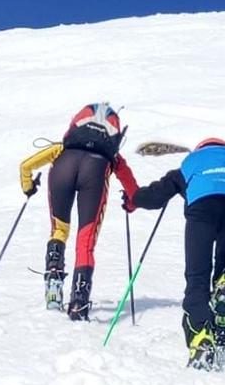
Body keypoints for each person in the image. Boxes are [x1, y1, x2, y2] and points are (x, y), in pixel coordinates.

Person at [124, 138, 225, 369]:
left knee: (197, 277)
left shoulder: (190, 162)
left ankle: (201, 339)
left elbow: (156, 196)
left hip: (203, 201)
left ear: (200, 149)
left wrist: (133, 200)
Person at [19, 101, 138, 322]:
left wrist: (28, 187)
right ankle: (78, 303)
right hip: (97, 170)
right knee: (85, 241)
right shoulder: (112, 157)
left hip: (63, 166)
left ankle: (54, 278)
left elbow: (25, 166)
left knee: (59, 230)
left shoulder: (62, 148)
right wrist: (130, 204)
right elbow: (133, 190)